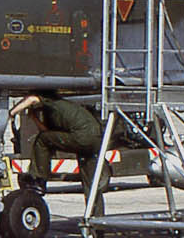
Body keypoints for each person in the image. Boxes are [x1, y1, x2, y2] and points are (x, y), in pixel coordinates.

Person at [10, 93, 110, 223]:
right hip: (95, 139)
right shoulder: (59, 109)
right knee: (91, 183)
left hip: (82, 136)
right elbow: (46, 131)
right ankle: (98, 223)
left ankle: (39, 180)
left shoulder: (51, 101)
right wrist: (34, 118)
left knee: (41, 140)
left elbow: (32, 98)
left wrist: (11, 113)